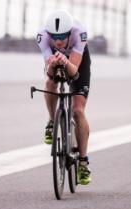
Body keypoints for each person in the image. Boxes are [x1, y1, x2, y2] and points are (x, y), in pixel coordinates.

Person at [36, 10, 92, 185]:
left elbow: (74, 71)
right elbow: (50, 73)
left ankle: (83, 162)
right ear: (48, 33)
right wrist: (52, 64)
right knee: (49, 84)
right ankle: (52, 122)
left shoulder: (79, 33)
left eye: (62, 36)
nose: (58, 40)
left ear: (69, 32)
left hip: (77, 62)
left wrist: (66, 62)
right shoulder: (42, 36)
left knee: (77, 110)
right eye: (54, 36)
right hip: (57, 60)